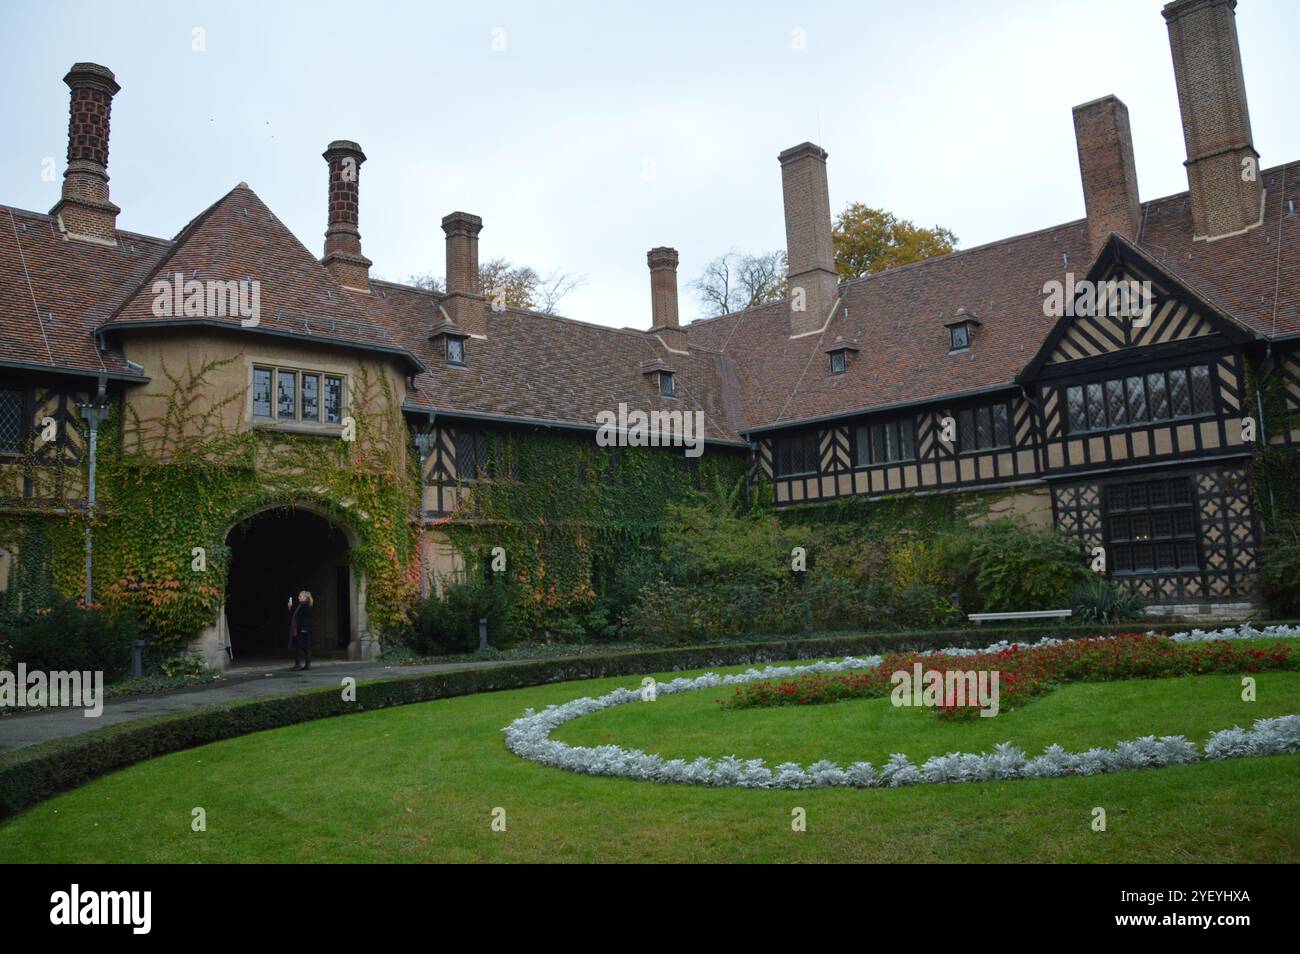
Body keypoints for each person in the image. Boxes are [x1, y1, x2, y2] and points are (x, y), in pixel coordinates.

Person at [288, 590, 315, 671]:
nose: (298, 597)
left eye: (300, 596)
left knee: (303, 647)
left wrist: (304, 629)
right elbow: (296, 616)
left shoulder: (305, 606)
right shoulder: (301, 605)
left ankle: (301, 664)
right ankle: (303, 664)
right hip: (299, 629)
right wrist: (290, 607)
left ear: (305, 598)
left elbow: (306, 618)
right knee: (302, 647)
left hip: (303, 630)